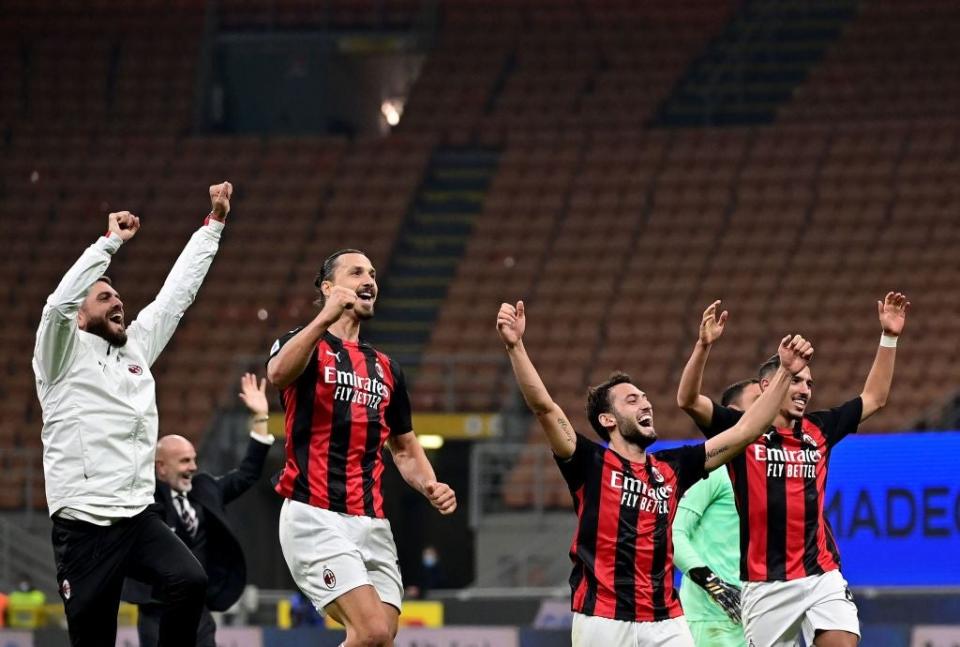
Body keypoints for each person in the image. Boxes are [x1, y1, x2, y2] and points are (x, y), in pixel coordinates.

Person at [495, 300, 813, 647]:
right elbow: (544, 407)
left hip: (666, 620)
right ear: (608, 419)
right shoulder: (589, 463)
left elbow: (744, 432)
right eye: (632, 400)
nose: (646, 403)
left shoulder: (672, 468)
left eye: (645, 398)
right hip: (602, 616)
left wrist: (782, 374)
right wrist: (515, 346)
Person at [32, 182, 233, 646]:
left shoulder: (136, 348)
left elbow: (175, 296)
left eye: (118, 296)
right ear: (81, 317)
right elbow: (58, 305)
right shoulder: (59, 355)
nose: (118, 301)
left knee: (189, 580)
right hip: (83, 527)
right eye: (104, 298)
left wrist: (214, 226)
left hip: (136, 517)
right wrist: (108, 245)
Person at [676, 294, 910, 647]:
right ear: (769, 385)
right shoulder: (741, 433)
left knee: (843, 640)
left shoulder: (819, 429)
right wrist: (703, 346)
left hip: (820, 574)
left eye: (809, 384)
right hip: (765, 583)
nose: (805, 390)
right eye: (798, 380)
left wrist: (889, 337)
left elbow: (875, 397)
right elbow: (688, 401)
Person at [267, 248, 457, 647]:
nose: (370, 280)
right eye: (356, 273)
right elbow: (278, 374)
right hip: (314, 513)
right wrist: (324, 317)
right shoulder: (301, 345)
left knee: (382, 637)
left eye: (372, 273)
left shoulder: (387, 368)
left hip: (372, 522)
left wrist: (430, 485)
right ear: (328, 287)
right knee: (370, 631)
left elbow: (404, 447)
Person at [127, 372, 275, 647]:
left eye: (194, 460)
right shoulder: (143, 499)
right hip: (157, 613)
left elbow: (247, 474)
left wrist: (261, 417)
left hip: (200, 614)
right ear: (160, 467)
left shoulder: (205, 488)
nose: (193, 468)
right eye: (184, 461)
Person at [673, 375, 760, 647]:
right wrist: (714, 585)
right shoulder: (713, 469)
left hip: (758, 613)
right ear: (734, 414)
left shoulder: (768, 473)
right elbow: (673, 533)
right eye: (759, 401)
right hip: (713, 620)